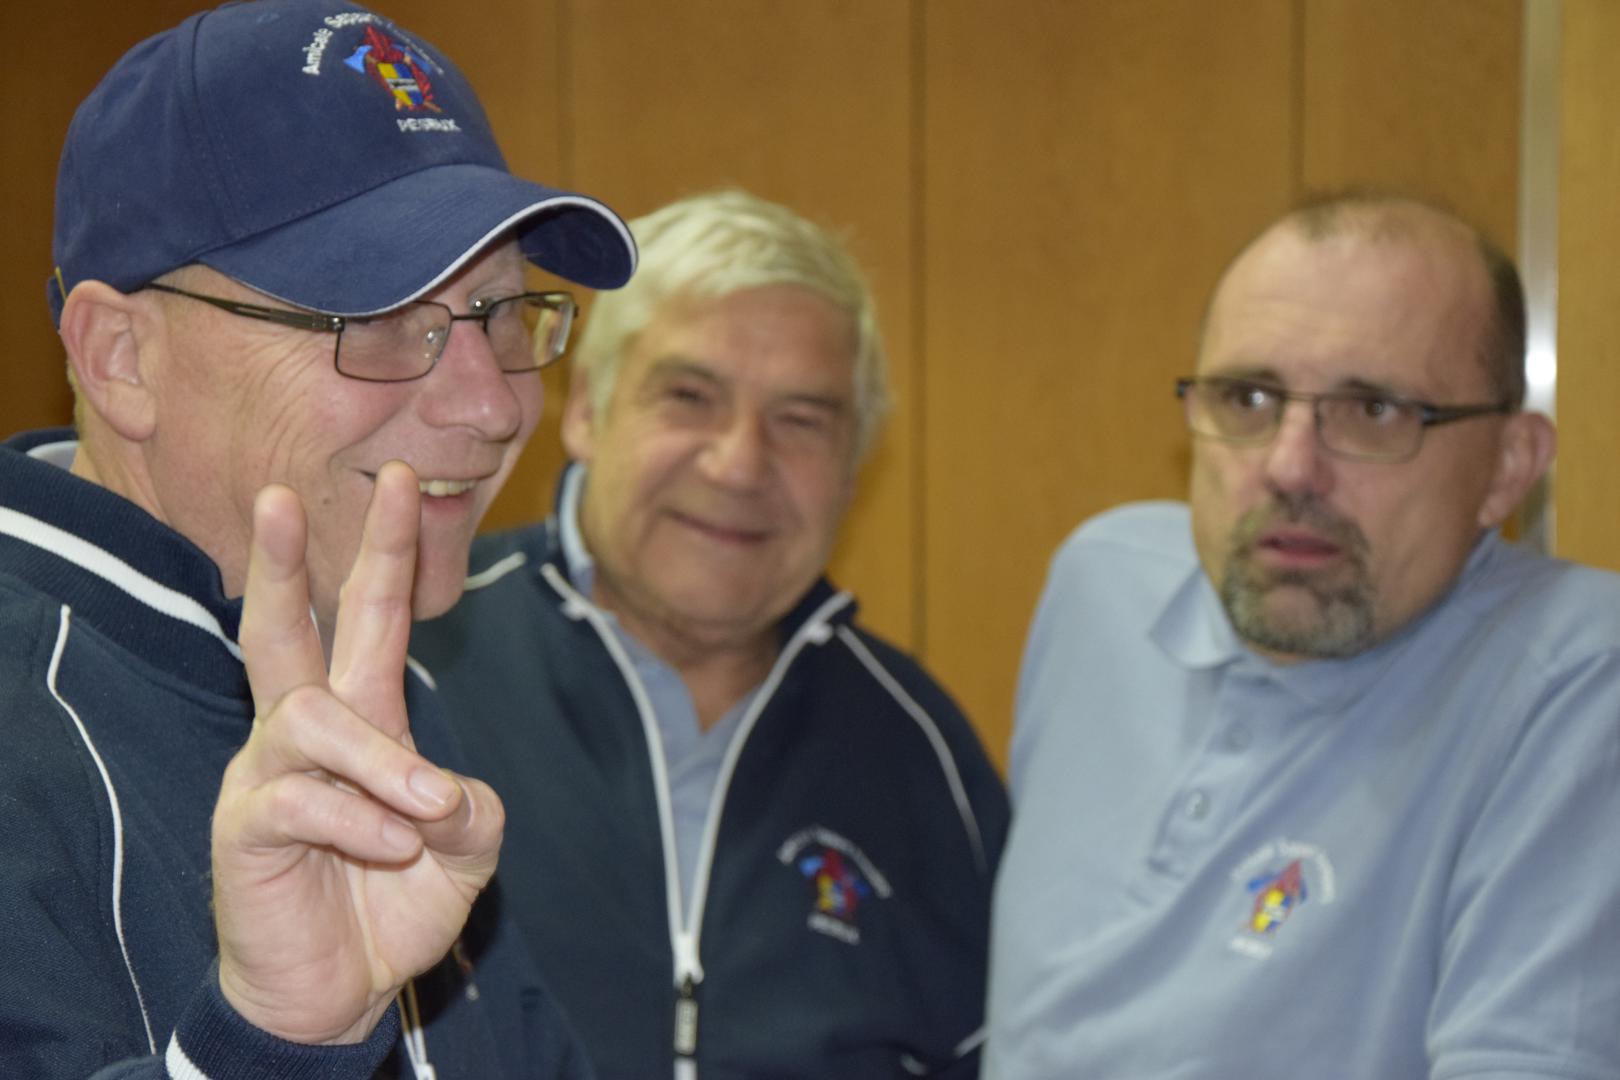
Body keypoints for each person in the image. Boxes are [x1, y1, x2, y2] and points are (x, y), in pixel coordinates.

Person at [0, 1, 638, 1076]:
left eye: (500, 314)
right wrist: (273, 1041)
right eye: (379, 320)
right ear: (120, 359)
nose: (493, 406)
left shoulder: (380, 682)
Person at [984, 193, 1620, 1078]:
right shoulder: (1102, 584)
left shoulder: (1578, 677)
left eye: (1374, 411)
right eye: (1247, 398)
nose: (1289, 467)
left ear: (1507, 469)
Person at [412, 188, 1009, 1079]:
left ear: (854, 469)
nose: (739, 464)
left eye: (801, 420)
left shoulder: (925, 755)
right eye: (689, 396)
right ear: (587, 412)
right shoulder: (411, 664)